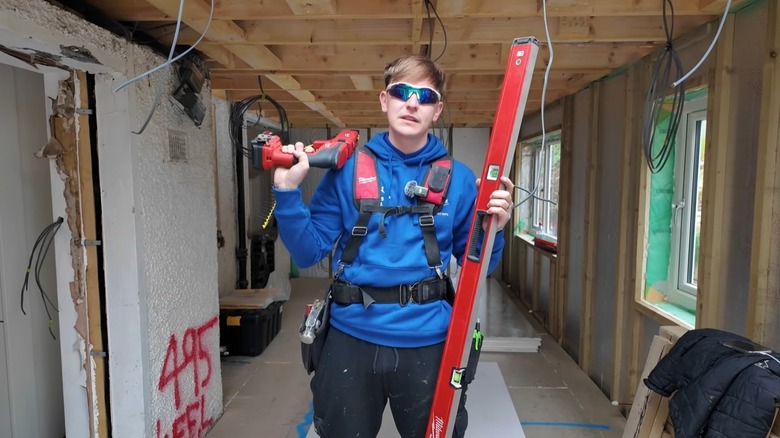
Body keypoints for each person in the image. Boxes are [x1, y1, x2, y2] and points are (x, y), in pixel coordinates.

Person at [272, 54, 514, 438]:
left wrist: (495, 229)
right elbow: (307, 252)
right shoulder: (346, 172)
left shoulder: (462, 181)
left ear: (437, 111)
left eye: (426, 95)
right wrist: (287, 194)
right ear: (385, 100)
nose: (412, 102)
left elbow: (478, 268)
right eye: (402, 91)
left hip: (430, 345)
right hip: (351, 338)